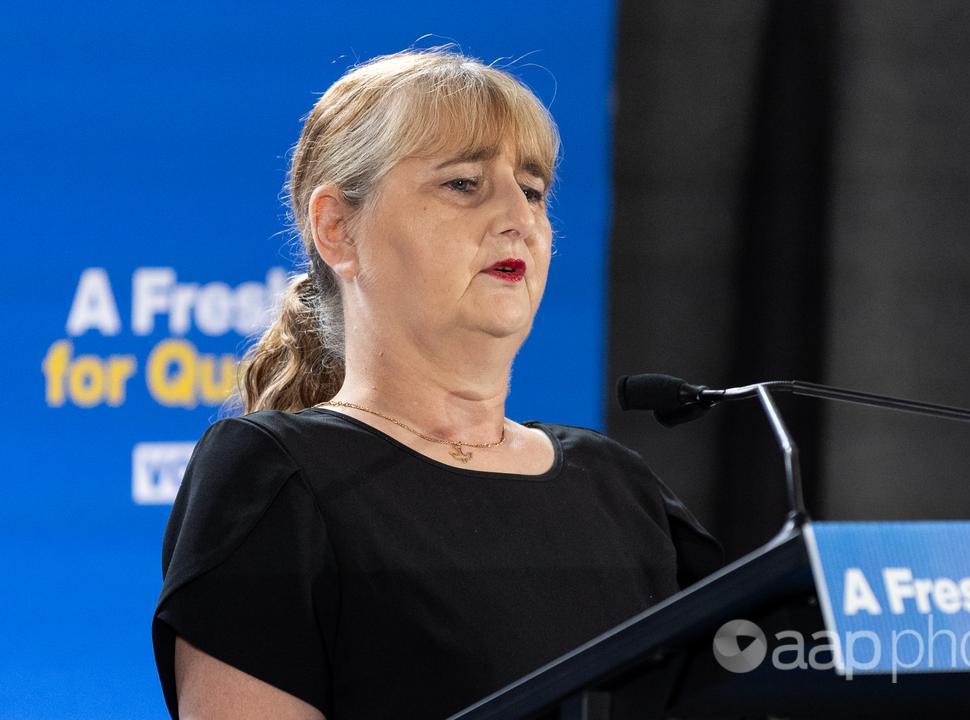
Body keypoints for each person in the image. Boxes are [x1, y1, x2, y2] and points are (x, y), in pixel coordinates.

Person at [151, 48, 722, 719]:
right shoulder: (276, 478)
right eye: (463, 184)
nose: (521, 218)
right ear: (337, 229)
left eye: (533, 191)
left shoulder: (616, 485)